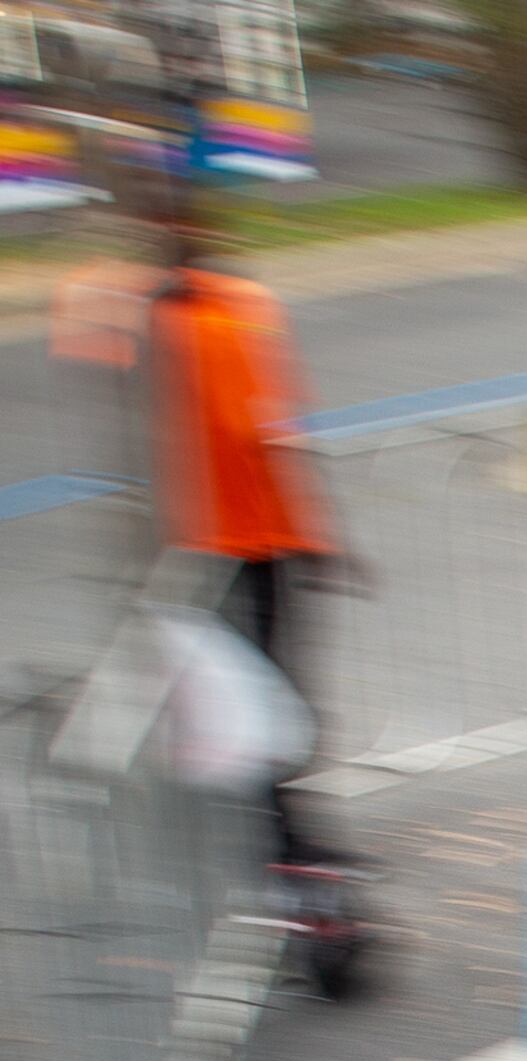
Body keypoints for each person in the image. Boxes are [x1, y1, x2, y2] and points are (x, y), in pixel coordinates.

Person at [141, 200, 353, 886]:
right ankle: (285, 835)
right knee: (267, 695)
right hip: (250, 542)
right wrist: (317, 533)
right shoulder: (225, 313)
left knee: (243, 693)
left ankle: (278, 829)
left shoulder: (169, 316)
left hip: (213, 538)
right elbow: (262, 433)